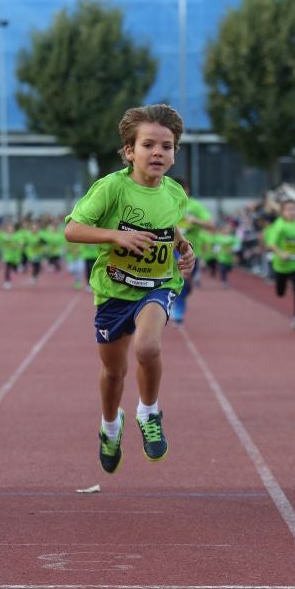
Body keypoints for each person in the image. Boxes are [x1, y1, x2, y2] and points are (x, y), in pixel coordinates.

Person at [64, 104, 195, 474]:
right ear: (129, 151)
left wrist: (185, 247)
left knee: (148, 346)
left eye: (166, 146)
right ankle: (110, 426)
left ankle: (149, 412)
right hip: (113, 290)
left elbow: (170, 229)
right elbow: (72, 229)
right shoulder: (111, 189)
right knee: (114, 372)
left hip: (158, 284)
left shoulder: (175, 193)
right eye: (148, 145)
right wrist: (116, 237)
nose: (158, 152)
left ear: (175, 154)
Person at [170, 178, 213, 325]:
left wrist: (196, 221)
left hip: (192, 251)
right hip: (170, 251)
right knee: (176, 280)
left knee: (185, 285)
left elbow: (211, 225)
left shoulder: (195, 206)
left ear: (187, 190)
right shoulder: (164, 205)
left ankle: (179, 297)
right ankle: (178, 312)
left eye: (181, 189)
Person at [264, 199, 295, 329]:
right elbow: (271, 244)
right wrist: (281, 254)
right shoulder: (279, 226)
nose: (292, 212)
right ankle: (280, 287)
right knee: (280, 293)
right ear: (282, 212)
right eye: (288, 209)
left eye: (294, 209)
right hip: (281, 265)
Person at [0, 220, 23, 290]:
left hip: (16, 255)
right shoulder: (3, 236)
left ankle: (15, 268)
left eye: (11, 229)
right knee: (7, 267)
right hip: (7, 255)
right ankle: (7, 281)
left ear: (14, 229)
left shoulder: (18, 236)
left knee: (15, 269)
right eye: (8, 229)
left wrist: (17, 245)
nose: (10, 230)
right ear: (6, 230)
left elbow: (21, 244)